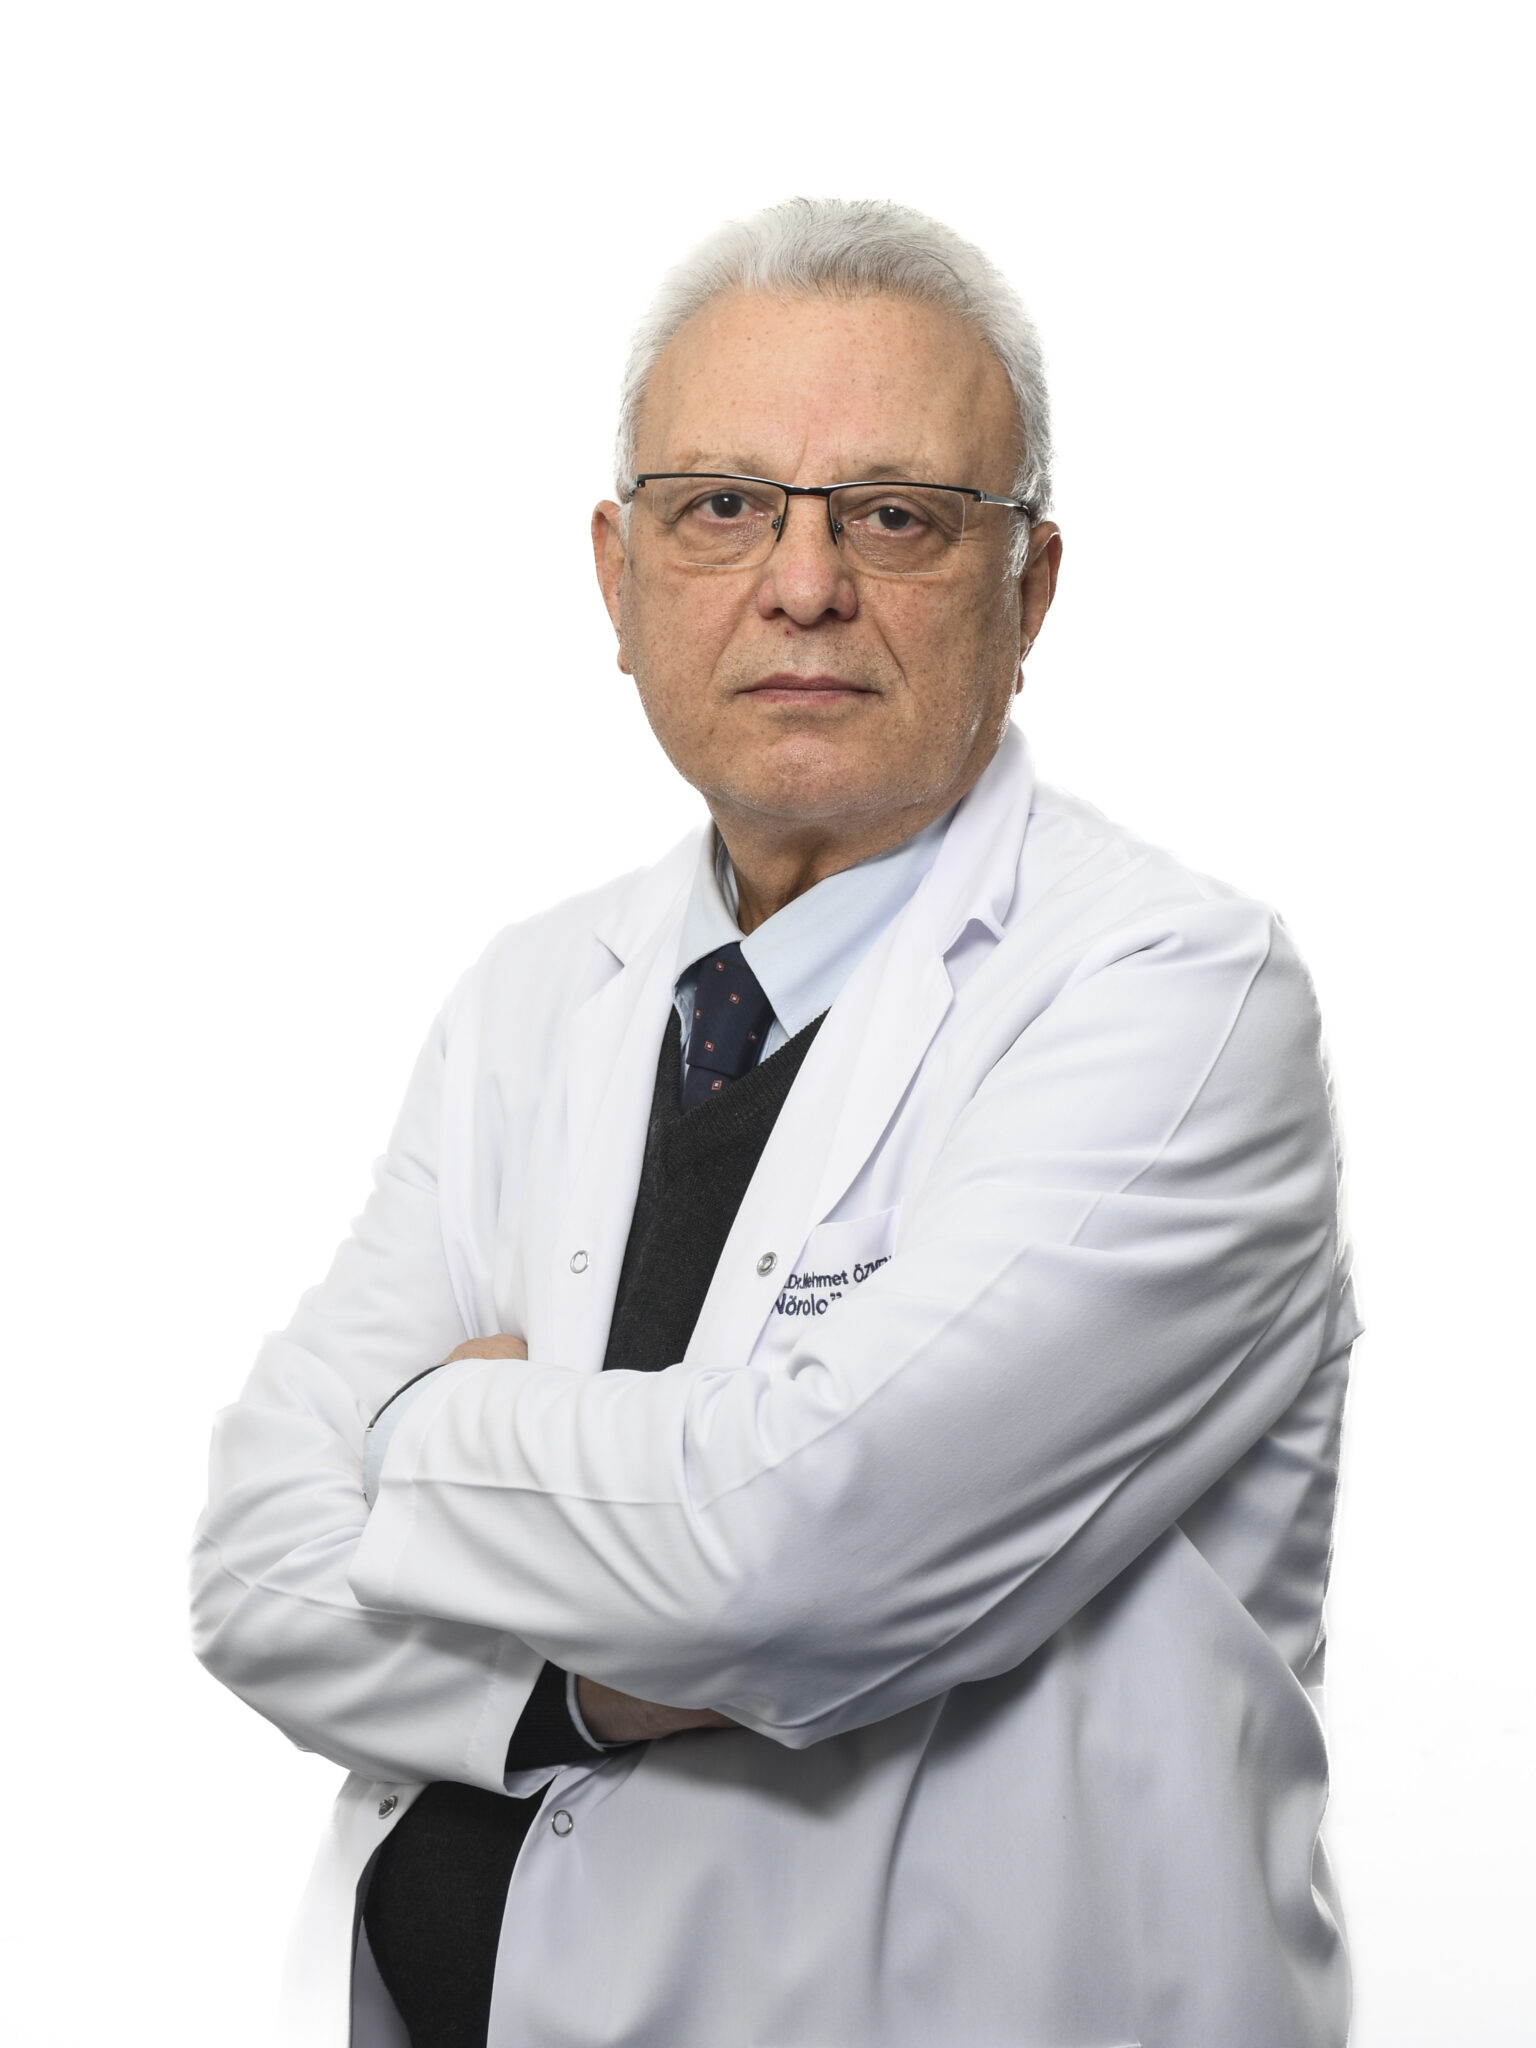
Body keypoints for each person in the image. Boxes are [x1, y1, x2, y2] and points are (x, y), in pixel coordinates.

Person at [191, 196, 1359, 2048]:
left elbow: (783, 1551)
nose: (802, 583)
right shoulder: (533, 996)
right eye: (723, 505)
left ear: (1029, 590)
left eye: (895, 515)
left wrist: (413, 1427)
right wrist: (579, 1697)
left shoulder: (1175, 1002)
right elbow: (254, 1565)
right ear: (619, 575)